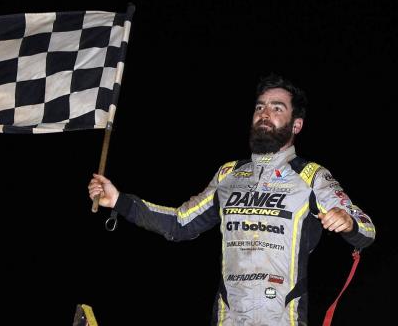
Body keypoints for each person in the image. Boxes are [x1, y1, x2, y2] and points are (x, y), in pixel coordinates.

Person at [88, 74, 375, 326]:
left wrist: (348, 222)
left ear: (296, 124)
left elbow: (367, 230)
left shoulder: (311, 176)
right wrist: (119, 201)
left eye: (277, 108)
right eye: (260, 107)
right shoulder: (229, 174)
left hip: (281, 318)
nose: (265, 113)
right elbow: (179, 223)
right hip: (228, 317)